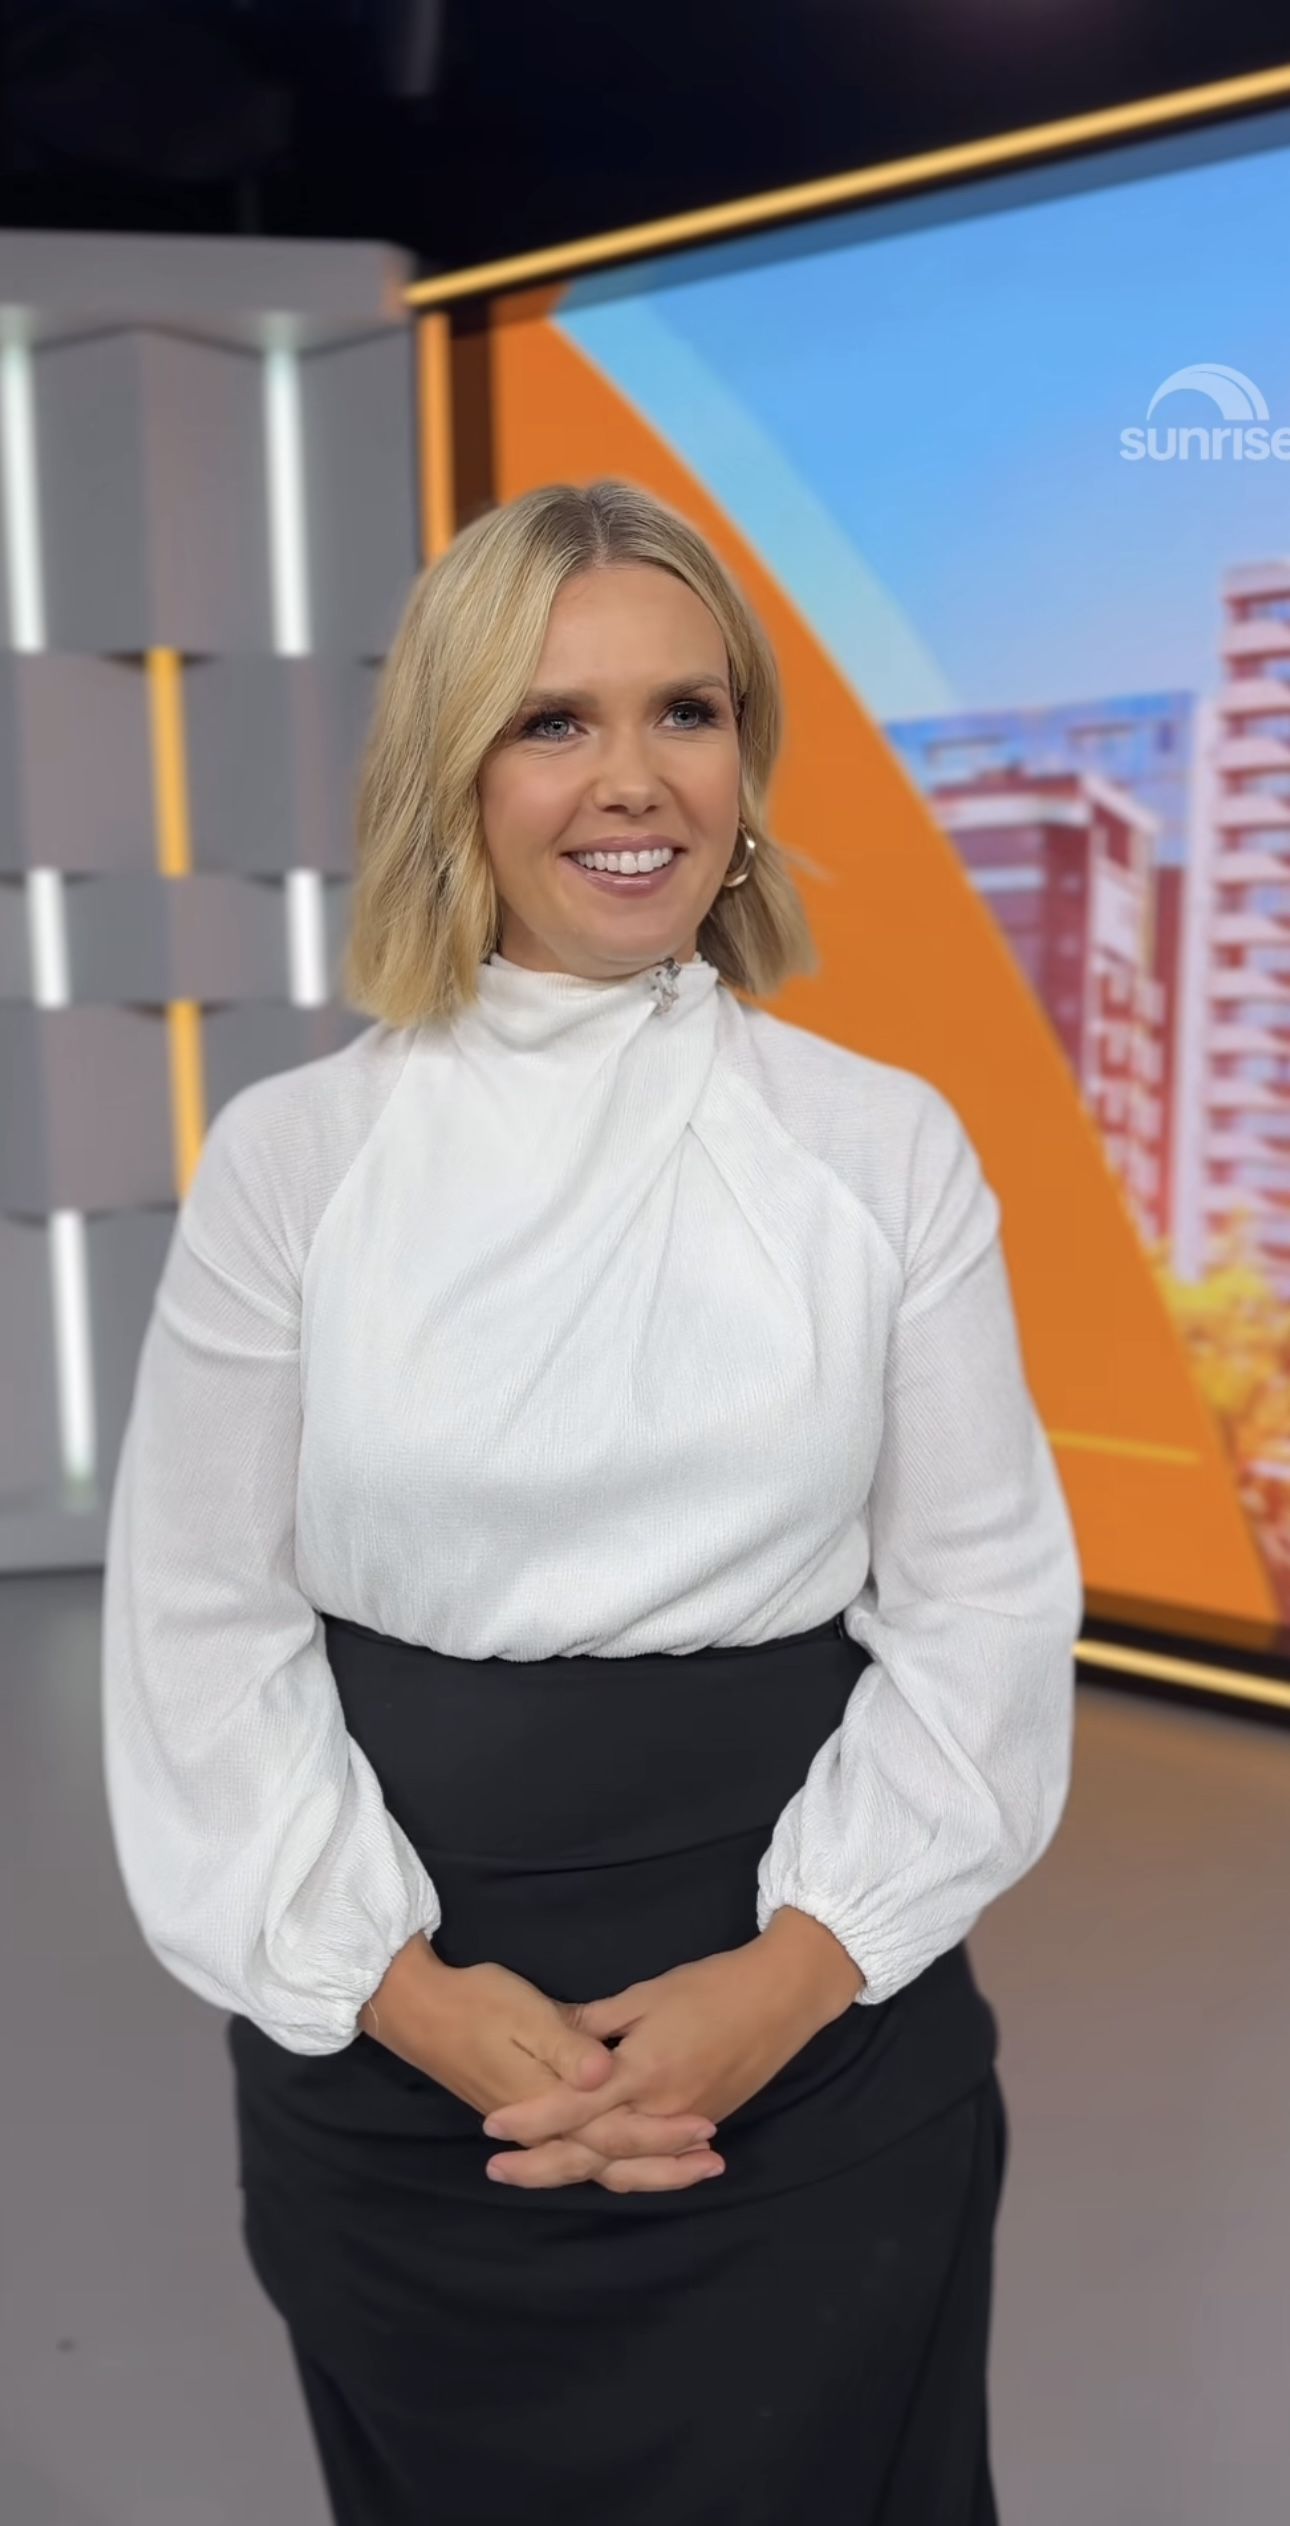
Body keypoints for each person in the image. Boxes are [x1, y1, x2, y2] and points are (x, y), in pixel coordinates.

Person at [101, 475, 1084, 2525]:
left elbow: (984, 1604)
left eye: (685, 712)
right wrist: (411, 2003)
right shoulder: (294, 1160)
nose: (633, 780)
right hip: (403, 2062)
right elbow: (199, 1622)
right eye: (553, 720)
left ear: (744, 761)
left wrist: (789, 1978)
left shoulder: (882, 1148)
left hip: (822, 2046)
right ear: (449, 771)